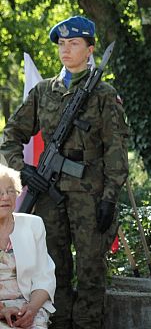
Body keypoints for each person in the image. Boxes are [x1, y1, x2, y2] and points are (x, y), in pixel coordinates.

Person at [0, 16, 130, 329]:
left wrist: (109, 199)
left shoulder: (104, 95)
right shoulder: (43, 92)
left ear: (90, 49)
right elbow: (10, 137)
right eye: (61, 44)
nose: (66, 50)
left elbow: (116, 153)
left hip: (91, 196)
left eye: (74, 44)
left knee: (90, 270)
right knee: (51, 268)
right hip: (49, 195)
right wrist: (24, 171)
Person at [0, 164, 55, 329]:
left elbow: (44, 278)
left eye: (10, 191)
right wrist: (3, 311)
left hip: (27, 306)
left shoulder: (33, 224)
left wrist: (32, 308)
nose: (5, 197)